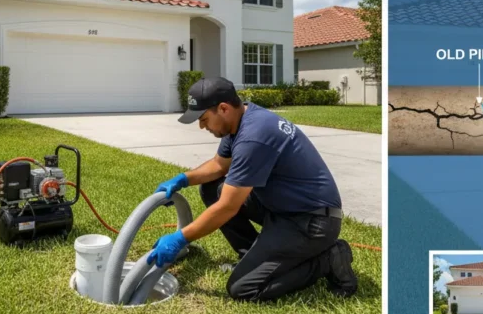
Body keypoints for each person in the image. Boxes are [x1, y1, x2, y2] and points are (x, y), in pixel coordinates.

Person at [146, 77, 358, 301]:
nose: (201, 126)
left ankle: (329, 259)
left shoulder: (254, 137)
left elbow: (228, 208)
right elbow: (219, 165)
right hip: (283, 208)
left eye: (203, 118)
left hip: (311, 222)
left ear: (224, 108)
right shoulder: (241, 120)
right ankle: (251, 255)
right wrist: (182, 179)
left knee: (243, 289)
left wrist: (180, 238)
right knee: (211, 189)